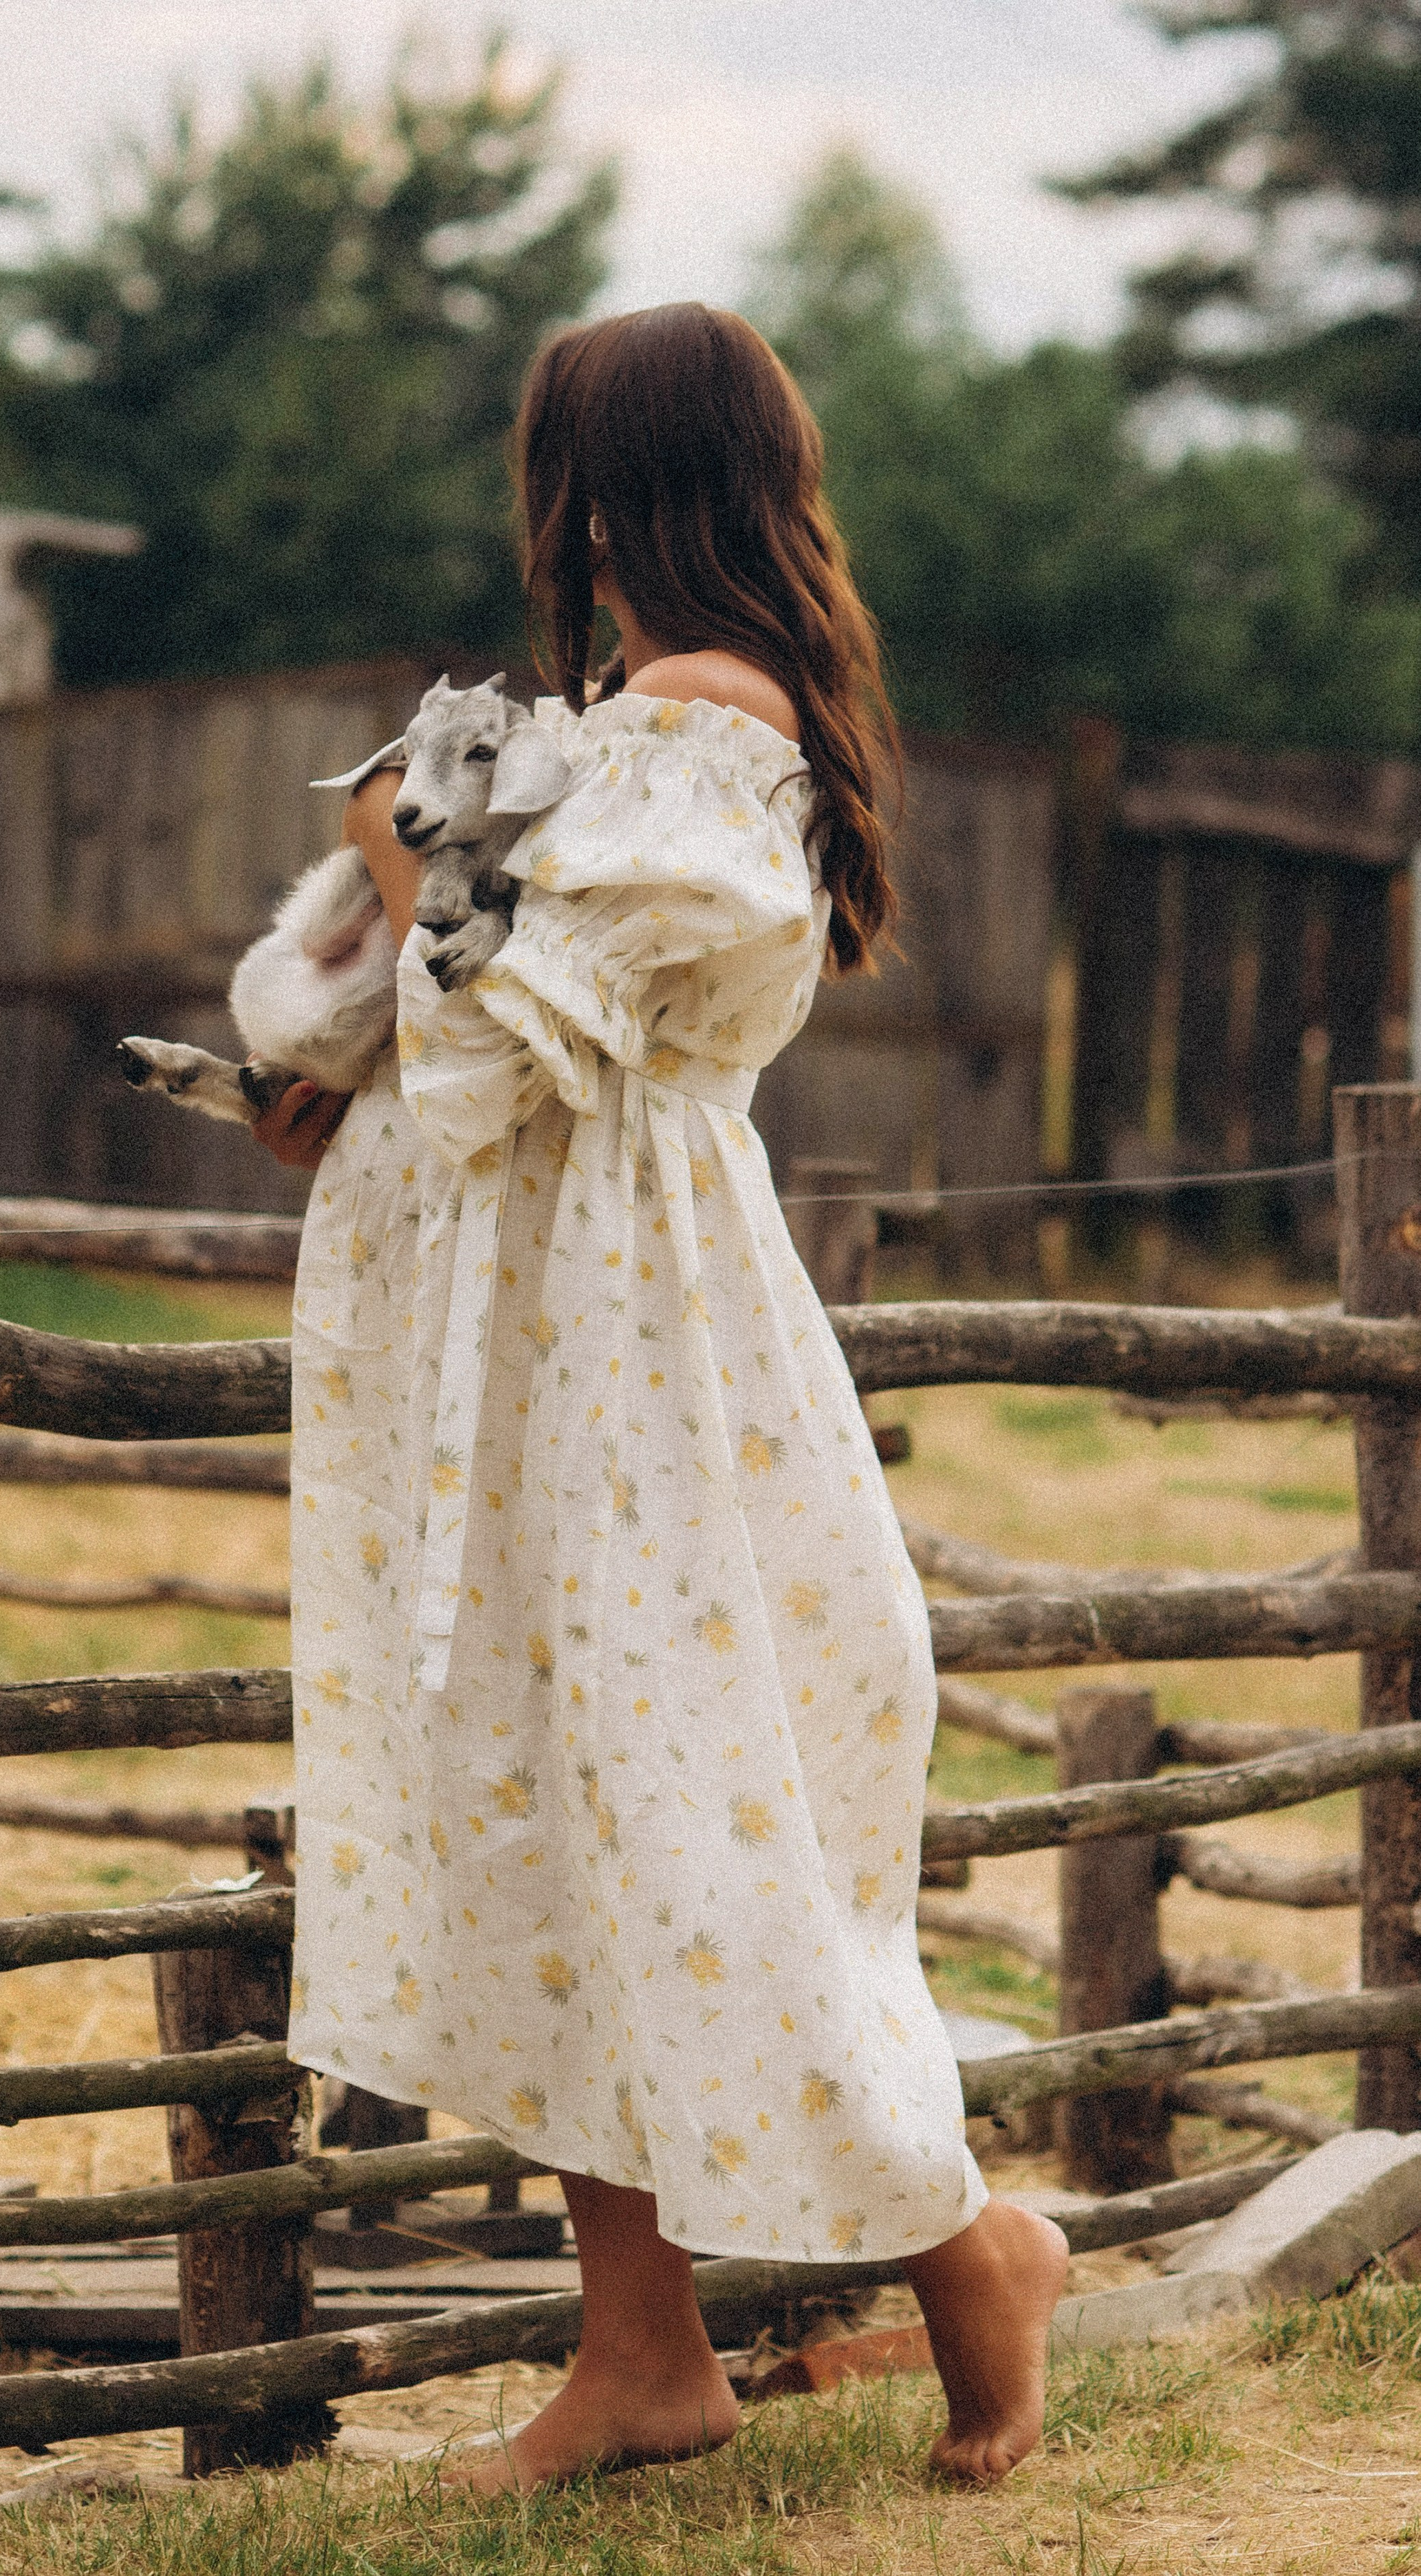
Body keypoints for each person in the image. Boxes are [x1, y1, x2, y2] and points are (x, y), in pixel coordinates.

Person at [259, 303, 1067, 2493]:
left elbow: (522, 1018)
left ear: (620, 488)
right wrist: (333, 1087)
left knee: (684, 1803)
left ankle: (967, 2241)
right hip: (529, 1343)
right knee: (553, 1806)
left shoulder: (710, 726)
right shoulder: (623, 717)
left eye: (571, 478)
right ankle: (643, 2354)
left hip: (626, 1359)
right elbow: (495, 1041)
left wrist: (397, 846)